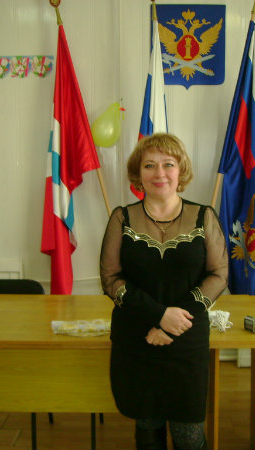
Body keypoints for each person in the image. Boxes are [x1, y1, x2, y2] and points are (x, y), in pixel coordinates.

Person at [100, 133, 228, 450]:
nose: (159, 173)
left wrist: (172, 323)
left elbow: (219, 275)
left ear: (180, 170)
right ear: (138, 173)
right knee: (147, 429)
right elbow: (111, 278)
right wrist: (159, 316)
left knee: (189, 435)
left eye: (168, 164)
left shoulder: (204, 217)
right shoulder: (122, 218)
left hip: (187, 342)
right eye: (149, 165)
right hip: (137, 339)